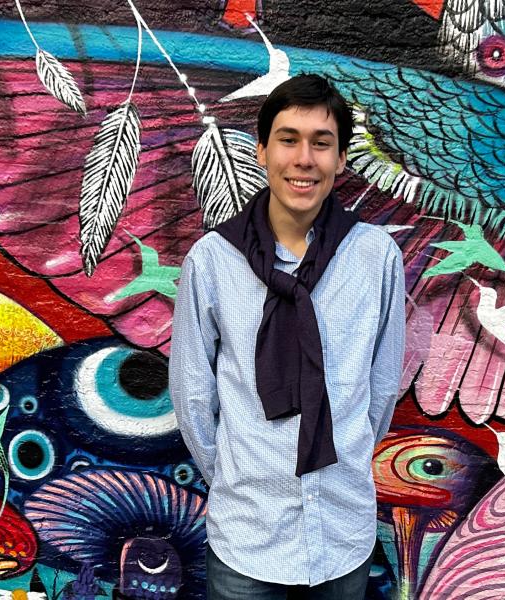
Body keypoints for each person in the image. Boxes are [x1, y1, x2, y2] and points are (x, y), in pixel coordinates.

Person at [169, 74, 406, 600]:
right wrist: (238, 478)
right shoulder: (213, 261)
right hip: (246, 535)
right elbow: (192, 395)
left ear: (342, 160)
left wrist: (343, 454)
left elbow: (382, 386)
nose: (304, 158)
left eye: (322, 143)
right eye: (288, 139)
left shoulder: (375, 257)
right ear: (261, 150)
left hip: (341, 532)